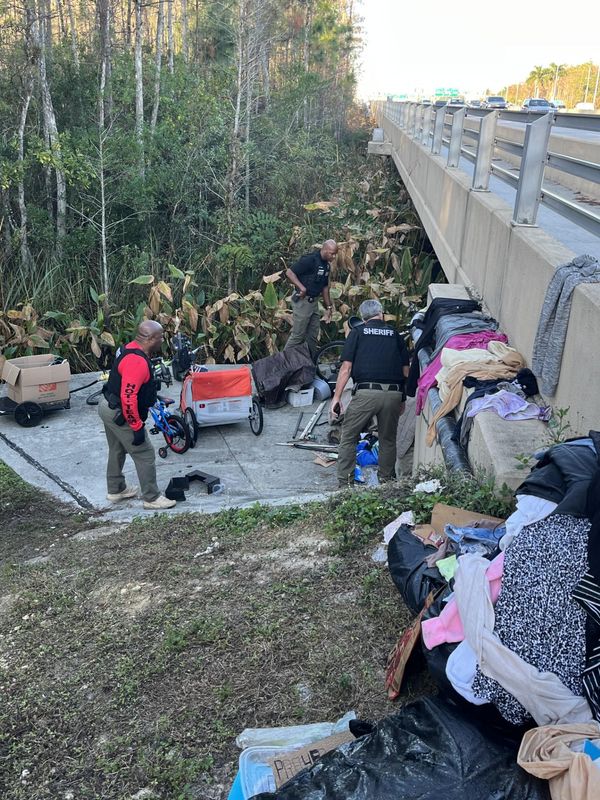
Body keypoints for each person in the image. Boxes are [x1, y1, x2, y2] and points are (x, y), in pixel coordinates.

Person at [330, 299, 410, 487]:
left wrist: (337, 397)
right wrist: (403, 398)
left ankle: (345, 485)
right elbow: (405, 371)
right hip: (393, 394)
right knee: (387, 439)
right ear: (381, 314)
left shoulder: (357, 332)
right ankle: (387, 484)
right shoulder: (395, 334)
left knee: (349, 437)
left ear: (363, 318)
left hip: (366, 393)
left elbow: (346, 368)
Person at [98, 320, 176, 510]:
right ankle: (152, 497)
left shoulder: (130, 348)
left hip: (108, 406)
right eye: (160, 337)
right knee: (145, 453)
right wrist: (137, 427)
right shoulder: (137, 362)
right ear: (150, 339)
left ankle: (116, 489)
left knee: (117, 448)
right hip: (120, 412)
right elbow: (128, 398)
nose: (162, 340)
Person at [284, 239, 338, 356]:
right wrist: (301, 287)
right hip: (302, 301)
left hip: (314, 304)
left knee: (312, 336)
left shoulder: (326, 266)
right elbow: (289, 272)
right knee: (298, 336)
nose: (334, 257)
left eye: (335, 254)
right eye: (332, 253)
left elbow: (324, 288)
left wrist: (329, 307)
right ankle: (282, 364)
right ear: (324, 249)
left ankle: (311, 364)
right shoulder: (310, 260)